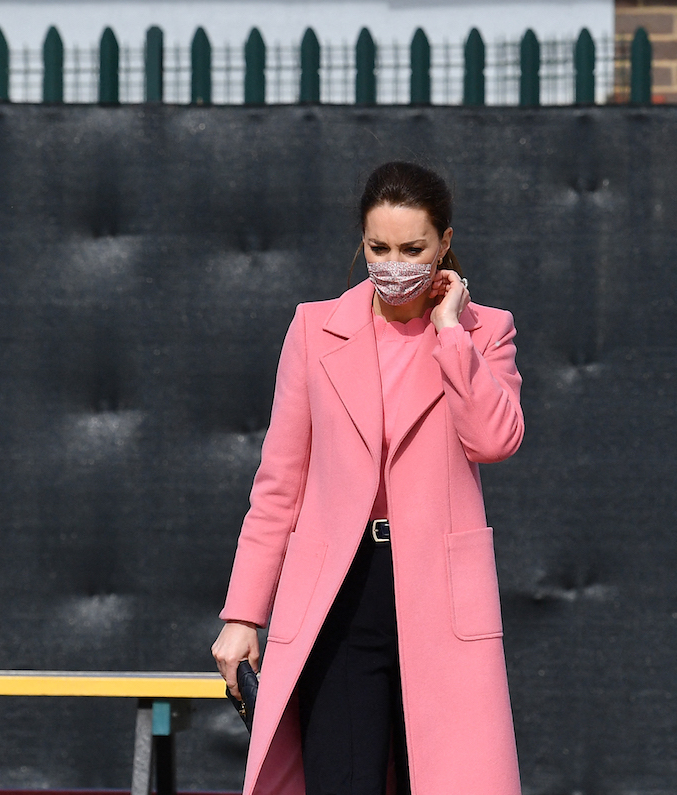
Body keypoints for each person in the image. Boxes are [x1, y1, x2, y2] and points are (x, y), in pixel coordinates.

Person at [211, 161, 523, 795]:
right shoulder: (313, 329)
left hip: (439, 595)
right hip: (338, 597)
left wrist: (449, 334)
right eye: (379, 247)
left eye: (413, 248)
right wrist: (244, 614)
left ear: (445, 244)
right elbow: (279, 485)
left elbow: (495, 440)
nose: (394, 262)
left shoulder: (485, 331)